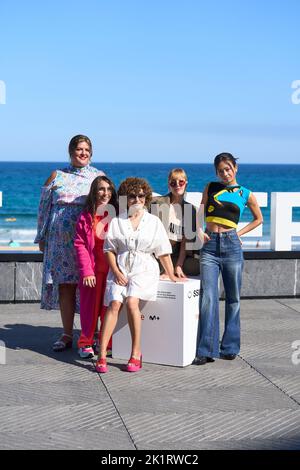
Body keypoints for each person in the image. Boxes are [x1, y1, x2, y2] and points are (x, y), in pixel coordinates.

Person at [95, 177, 179, 373]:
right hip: (121, 267)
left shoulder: (154, 222)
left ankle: (135, 352)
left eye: (141, 196)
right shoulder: (117, 221)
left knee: (132, 301)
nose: (137, 200)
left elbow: (163, 252)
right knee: (114, 303)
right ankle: (101, 354)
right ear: (126, 198)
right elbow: (109, 249)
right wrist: (116, 271)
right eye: (132, 196)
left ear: (146, 197)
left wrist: (171, 275)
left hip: (144, 268)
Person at [34, 135, 104, 351]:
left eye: (86, 149)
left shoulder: (98, 177)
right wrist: (41, 237)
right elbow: (43, 209)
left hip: (87, 241)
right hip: (59, 243)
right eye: (78, 149)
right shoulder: (57, 176)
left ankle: (90, 333)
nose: (82, 153)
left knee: (90, 287)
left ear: (91, 153)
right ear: (70, 151)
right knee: (65, 287)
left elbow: (107, 207)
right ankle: (66, 333)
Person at [194, 152, 263, 365]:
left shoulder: (245, 193)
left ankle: (230, 347)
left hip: (232, 246)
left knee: (233, 299)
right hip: (210, 246)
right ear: (216, 172)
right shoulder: (211, 188)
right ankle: (206, 350)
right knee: (208, 298)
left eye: (228, 168)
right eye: (221, 170)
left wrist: (238, 235)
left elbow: (258, 219)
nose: (225, 173)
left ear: (235, 168)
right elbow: (200, 211)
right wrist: (198, 229)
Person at [74, 176, 118, 358]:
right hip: (92, 272)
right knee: (89, 309)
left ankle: (106, 341)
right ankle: (85, 341)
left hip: (112, 271)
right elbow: (80, 244)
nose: (105, 193)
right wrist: (86, 271)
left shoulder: (116, 215)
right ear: (94, 192)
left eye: (108, 189)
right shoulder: (85, 216)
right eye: (101, 189)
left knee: (108, 308)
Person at [151, 168, 200, 278]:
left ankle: (171, 268)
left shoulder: (191, 210)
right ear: (169, 185)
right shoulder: (157, 203)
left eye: (181, 182)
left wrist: (179, 265)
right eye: (173, 183)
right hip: (157, 254)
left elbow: (185, 242)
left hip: (176, 255)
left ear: (186, 184)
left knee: (198, 267)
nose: (177, 185)